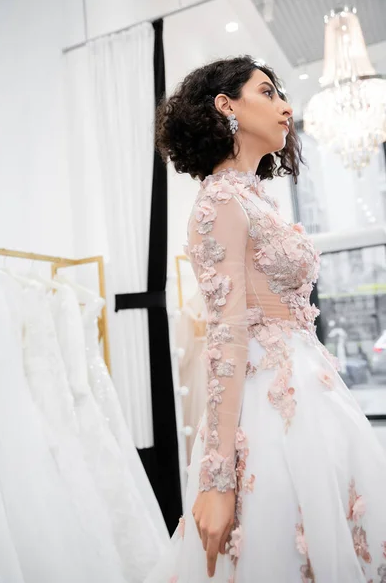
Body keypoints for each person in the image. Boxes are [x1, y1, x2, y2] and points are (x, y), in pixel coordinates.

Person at [145, 56, 386, 583]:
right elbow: (225, 336)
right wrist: (216, 479)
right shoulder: (219, 203)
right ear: (226, 106)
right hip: (265, 406)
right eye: (269, 92)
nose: (286, 107)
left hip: (307, 391)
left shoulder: (255, 200)